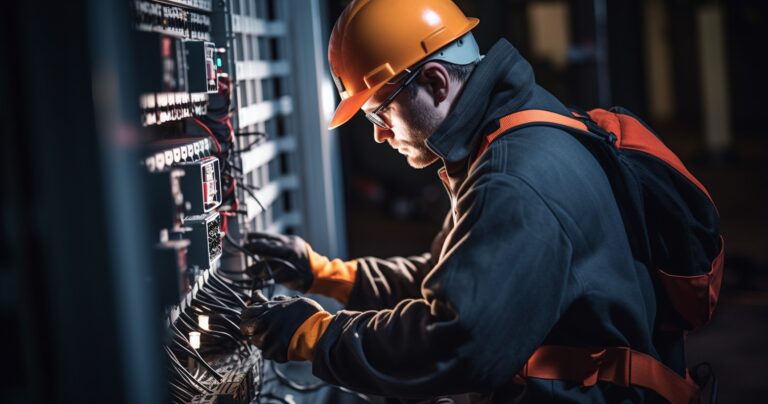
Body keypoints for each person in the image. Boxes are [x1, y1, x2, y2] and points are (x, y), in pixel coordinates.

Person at [240, 0, 698, 402]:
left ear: (436, 83)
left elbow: (455, 342)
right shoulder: (515, 131)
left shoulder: (513, 179)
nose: (379, 135)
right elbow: (455, 276)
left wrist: (315, 336)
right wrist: (325, 275)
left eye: (380, 112)